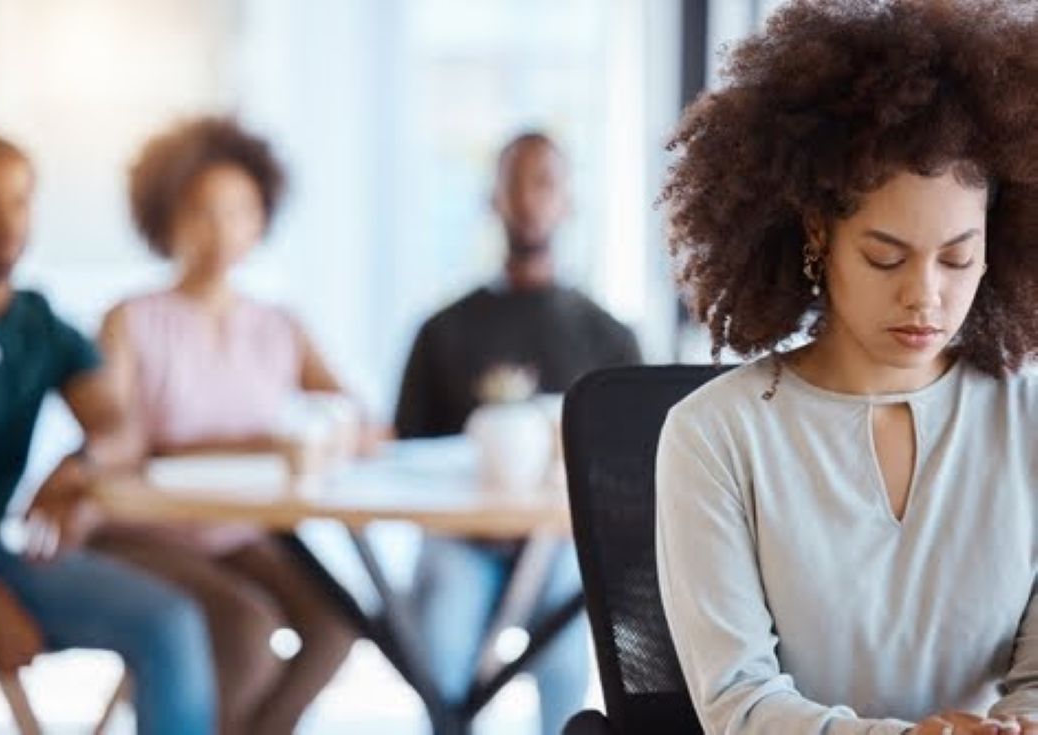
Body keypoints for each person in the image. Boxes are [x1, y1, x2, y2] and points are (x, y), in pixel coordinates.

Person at [655, 1, 1038, 733]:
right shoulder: (714, 437)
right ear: (817, 236)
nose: (925, 294)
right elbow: (740, 703)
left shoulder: (1030, 424)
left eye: (958, 257)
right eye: (884, 256)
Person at [0, 131, 215, 734]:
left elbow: (120, 423)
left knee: (171, 623)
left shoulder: (36, 322)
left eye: (20, 200)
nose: (7, 220)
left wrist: (80, 464)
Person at [88, 117, 358, 735]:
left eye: (239, 211)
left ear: (262, 218)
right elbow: (118, 441)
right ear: (166, 217)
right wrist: (253, 445)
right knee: (246, 627)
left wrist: (331, 433)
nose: (221, 230)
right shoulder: (131, 320)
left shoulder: (279, 325)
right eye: (202, 211)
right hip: (141, 530)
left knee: (336, 625)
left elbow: (358, 417)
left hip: (238, 532)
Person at [395, 131, 641, 735]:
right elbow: (405, 455)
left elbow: (636, 467)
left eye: (545, 182)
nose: (529, 199)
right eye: (514, 182)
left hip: (558, 542)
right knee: (442, 650)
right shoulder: (440, 331)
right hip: (461, 540)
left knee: (565, 651)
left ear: (568, 201)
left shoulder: (609, 338)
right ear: (493, 199)